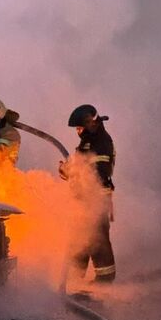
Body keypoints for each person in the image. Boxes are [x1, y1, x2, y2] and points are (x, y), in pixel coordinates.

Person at [59, 104, 116, 283]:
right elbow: (79, 166)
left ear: (91, 124)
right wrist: (66, 170)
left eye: (80, 128)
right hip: (83, 197)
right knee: (80, 235)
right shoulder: (87, 141)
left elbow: (100, 172)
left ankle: (105, 279)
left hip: (96, 197)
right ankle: (75, 277)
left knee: (97, 237)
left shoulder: (102, 142)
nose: (78, 132)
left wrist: (76, 171)